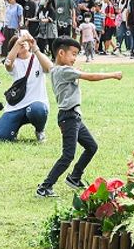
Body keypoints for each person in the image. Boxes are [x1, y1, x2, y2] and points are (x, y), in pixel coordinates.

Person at [35, 37, 124, 198]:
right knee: (68, 155)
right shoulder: (64, 70)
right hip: (69, 117)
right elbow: (90, 77)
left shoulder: (55, 69)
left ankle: (74, 177)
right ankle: (45, 187)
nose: (75, 58)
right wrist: (113, 75)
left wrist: (35, 50)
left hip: (73, 117)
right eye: (73, 54)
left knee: (92, 147)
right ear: (61, 53)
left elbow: (47, 63)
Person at [0, 32, 52, 143]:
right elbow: (8, 64)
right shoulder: (15, 63)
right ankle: (13, 128)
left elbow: (49, 68)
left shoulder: (37, 59)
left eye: (25, 42)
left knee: (37, 110)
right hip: (16, 107)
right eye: (18, 43)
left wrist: (35, 47)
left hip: (35, 104)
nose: (22, 43)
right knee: (0, 137)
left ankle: (40, 131)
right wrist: (18, 42)